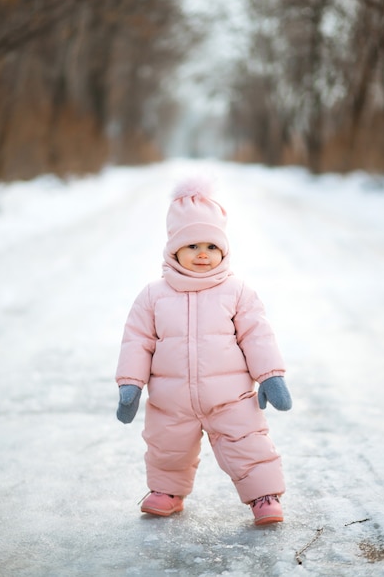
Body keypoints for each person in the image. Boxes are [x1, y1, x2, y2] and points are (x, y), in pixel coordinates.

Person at [115, 176, 292, 526]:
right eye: (192, 245)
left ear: (224, 250)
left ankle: (263, 495)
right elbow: (137, 341)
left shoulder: (238, 292)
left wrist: (271, 376)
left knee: (247, 444)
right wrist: (130, 385)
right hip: (171, 399)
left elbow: (258, 336)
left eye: (211, 247)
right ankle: (167, 492)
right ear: (173, 249)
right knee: (167, 447)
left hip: (231, 397)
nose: (202, 254)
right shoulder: (153, 295)